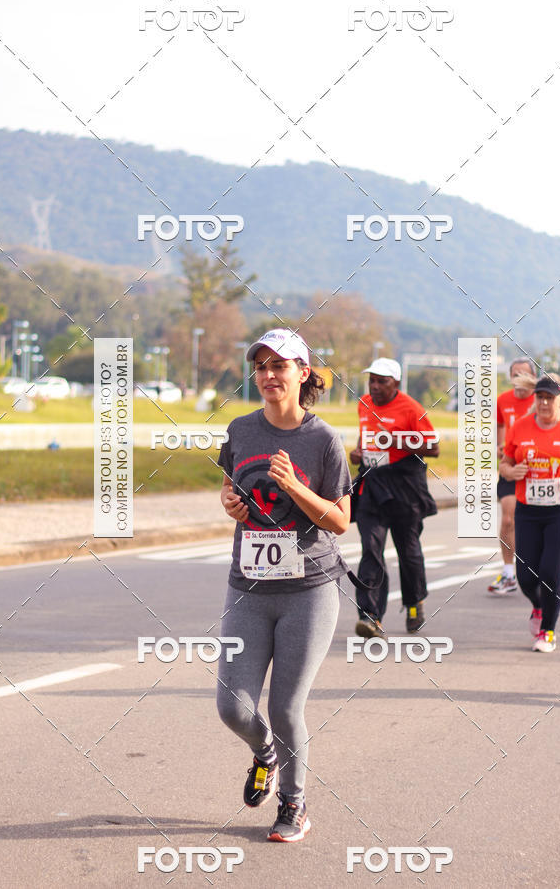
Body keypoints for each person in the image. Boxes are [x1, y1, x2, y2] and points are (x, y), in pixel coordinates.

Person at [216, 328, 352, 842]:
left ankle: (293, 804)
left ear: (304, 375)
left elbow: (340, 521)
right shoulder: (240, 429)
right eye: (262, 366)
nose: (269, 375)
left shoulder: (322, 440)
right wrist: (229, 504)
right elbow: (232, 487)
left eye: (281, 366)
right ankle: (265, 755)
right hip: (247, 586)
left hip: (309, 590)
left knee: (285, 707)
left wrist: (295, 485)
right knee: (233, 706)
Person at [500, 375, 560, 652]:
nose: (543, 402)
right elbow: (505, 463)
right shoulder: (520, 428)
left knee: (550, 572)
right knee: (526, 576)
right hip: (528, 510)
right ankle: (538, 606)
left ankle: (548, 632)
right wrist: (511, 471)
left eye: (549, 398)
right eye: (539, 397)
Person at [350, 357, 439, 637]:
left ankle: (414, 604)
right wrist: (358, 452)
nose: (375, 387)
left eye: (382, 381)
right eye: (372, 380)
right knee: (371, 550)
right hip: (373, 482)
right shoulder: (364, 403)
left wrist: (397, 440)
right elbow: (365, 437)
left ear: (396, 383)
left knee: (408, 550)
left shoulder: (411, 408)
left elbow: (433, 447)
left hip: (405, 484)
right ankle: (370, 616)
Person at [488, 357, 537, 595]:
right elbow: (499, 425)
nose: (518, 379)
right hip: (510, 468)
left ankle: (535, 568)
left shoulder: (540, 399)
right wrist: (500, 446)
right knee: (508, 520)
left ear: (533, 378)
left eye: (523, 374)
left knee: (532, 523)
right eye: (514, 374)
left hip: (537, 470)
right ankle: (509, 572)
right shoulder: (502, 400)